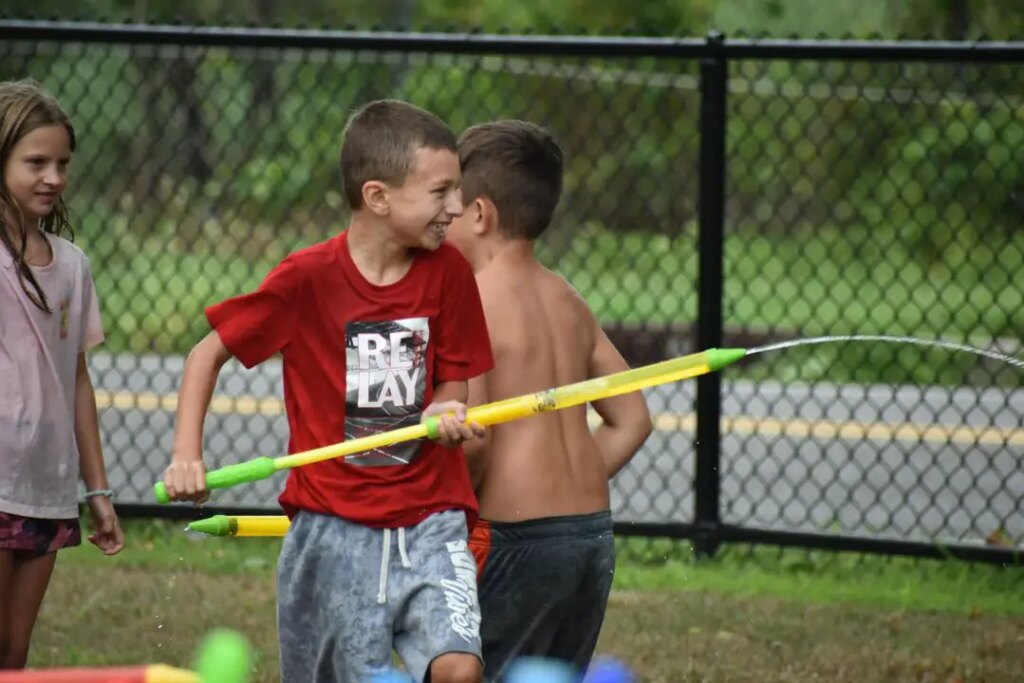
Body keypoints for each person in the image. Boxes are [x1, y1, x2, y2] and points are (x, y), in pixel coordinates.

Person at [162, 100, 493, 683]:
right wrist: (187, 454)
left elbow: (454, 381)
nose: (458, 207)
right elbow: (204, 354)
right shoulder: (306, 279)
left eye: (458, 190)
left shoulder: (451, 274)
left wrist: (446, 405)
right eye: (441, 191)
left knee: (460, 669)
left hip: (431, 518)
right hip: (332, 526)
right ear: (378, 197)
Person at [446, 120, 652, 682]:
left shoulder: (471, 301)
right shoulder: (568, 298)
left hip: (513, 536)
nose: (442, 219)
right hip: (588, 536)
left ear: (481, 214)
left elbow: (478, 441)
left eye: (451, 206)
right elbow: (632, 419)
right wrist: (568, 480)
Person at [0, 79, 125, 669]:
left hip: (47, 484)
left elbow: (76, 378)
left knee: (13, 652)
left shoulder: (73, 265)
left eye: (62, 164)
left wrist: (96, 491)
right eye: (35, 162)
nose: (53, 177)